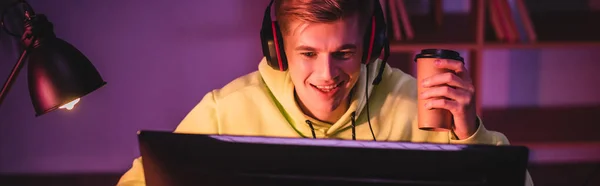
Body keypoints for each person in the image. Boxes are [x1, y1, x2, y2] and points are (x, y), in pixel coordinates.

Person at [117, 0, 533, 185]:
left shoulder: (418, 105)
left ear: (371, 45)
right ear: (278, 47)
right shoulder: (225, 111)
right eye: (308, 53)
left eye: (345, 53)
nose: (326, 74)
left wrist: (470, 134)